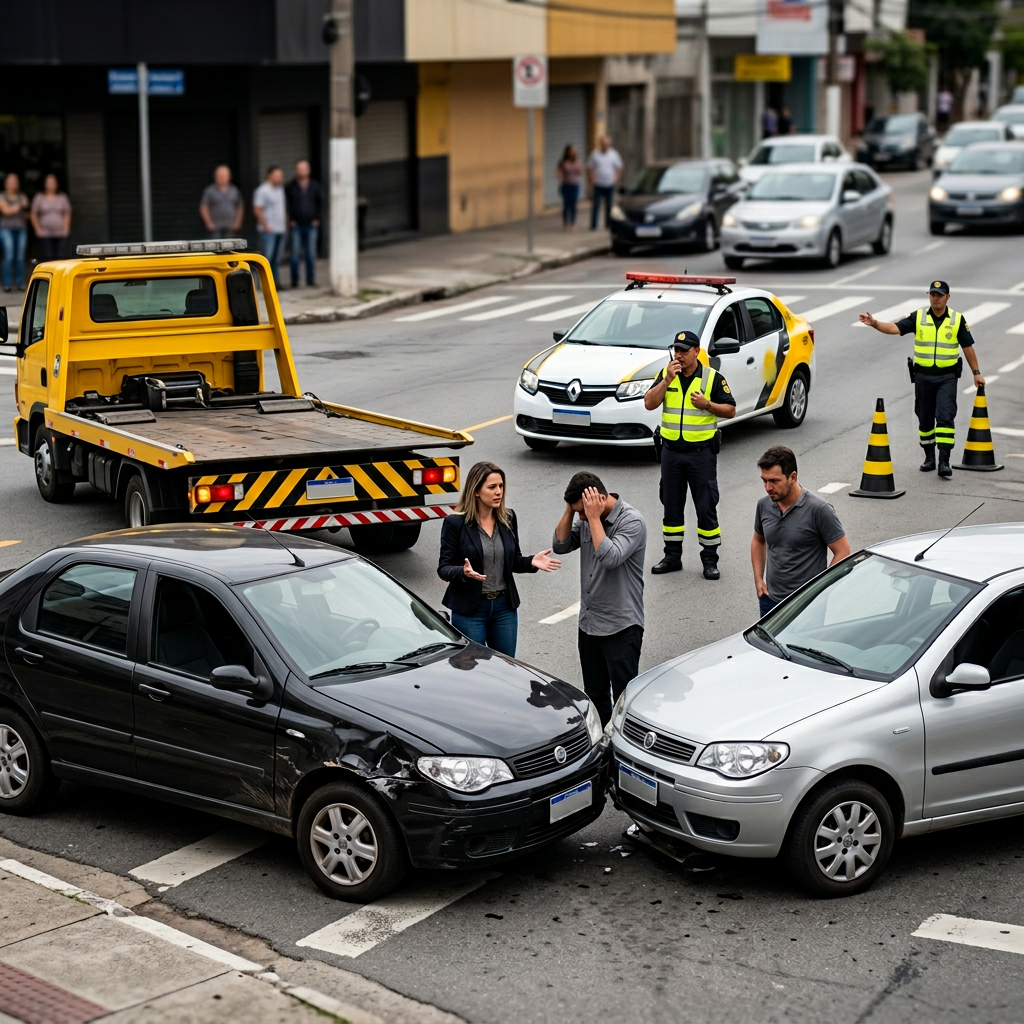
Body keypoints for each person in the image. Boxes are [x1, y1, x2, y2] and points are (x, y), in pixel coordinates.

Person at [859, 281, 984, 479]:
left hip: (947, 377)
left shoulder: (957, 320)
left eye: (940, 295)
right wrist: (875, 323)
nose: (935, 298)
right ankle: (929, 458)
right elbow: (894, 328)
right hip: (923, 377)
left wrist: (976, 372)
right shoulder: (919, 317)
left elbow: (968, 346)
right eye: (932, 294)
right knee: (925, 419)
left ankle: (944, 461)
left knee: (945, 418)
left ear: (947, 297)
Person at [437, 461, 561, 657]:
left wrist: (531, 562)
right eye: (492, 487)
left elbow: (513, 561)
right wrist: (462, 572)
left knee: (507, 668)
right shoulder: (455, 523)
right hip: (471, 611)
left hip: (504, 609)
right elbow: (443, 568)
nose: (499, 492)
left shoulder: (508, 518)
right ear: (476, 491)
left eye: (501, 486)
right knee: (474, 672)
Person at [553, 471, 646, 725]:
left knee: (623, 700)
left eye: (582, 511)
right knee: (595, 697)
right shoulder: (584, 517)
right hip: (589, 625)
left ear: (600, 499)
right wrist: (571, 509)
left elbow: (611, 557)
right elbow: (560, 544)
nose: (581, 517)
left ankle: (623, 755)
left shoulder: (632, 521)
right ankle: (602, 754)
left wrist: (592, 518)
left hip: (621, 626)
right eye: (579, 513)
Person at [643, 330, 736, 579]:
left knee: (706, 507)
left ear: (696, 352)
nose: (679, 355)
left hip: (701, 454)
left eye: (685, 350)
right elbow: (649, 403)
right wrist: (666, 382)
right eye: (676, 350)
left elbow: (730, 410)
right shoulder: (666, 375)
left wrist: (708, 405)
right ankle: (672, 557)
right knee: (671, 507)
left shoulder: (712, 378)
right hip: (671, 453)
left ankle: (709, 560)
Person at [751, 445, 850, 617]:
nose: (768, 488)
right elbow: (758, 540)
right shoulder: (764, 505)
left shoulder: (818, 509)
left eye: (774, 481)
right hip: (770, 600)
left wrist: (820, 589)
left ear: (793, 477)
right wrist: (759, 579)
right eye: (764, 480)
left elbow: (843, 551)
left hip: (808, 605)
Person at [286, 160, 323, 288]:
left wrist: (317, 218)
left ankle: (310, 280)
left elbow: (321, 203)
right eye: (299, 169)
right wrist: (290, 219)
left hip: (311, 224)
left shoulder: (315, 186)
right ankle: (294, 280)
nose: (302, 171)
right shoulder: (290, 187)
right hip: (296, 225)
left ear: (308, 170)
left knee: (311, 254)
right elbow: (286, 205)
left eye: (304, 168)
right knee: (295, 253)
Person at [253, 166, 286, 286]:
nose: (280, 178)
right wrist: (265, 225)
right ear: (269, 175)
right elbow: (257, 209)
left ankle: (275, 283)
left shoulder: (280, 189)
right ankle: (262, 283)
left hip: (280, 229)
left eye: (281, 176)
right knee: (267, 258)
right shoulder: (263, 190)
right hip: (268, 230)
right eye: (277, 176)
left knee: (277, 259)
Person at [30, 174, 72, 262]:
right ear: (45, 184)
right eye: (49, 183)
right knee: (48, 256)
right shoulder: (39, 197)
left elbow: (67, 213)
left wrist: (66, 229)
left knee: (61, 256)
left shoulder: (62, 197)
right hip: (45, 233)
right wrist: (38, 229)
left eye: (53, 182)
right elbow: (33, 213)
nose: (51, 185)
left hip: (60, 233)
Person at [0, 173, 29, 292]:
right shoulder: (1, 196)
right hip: (6, 229)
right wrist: (18, 206)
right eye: (11, 181)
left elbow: (27, 206)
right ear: (6, 183)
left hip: (21, 229)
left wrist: (19, 206)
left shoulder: (21, 195)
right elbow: (6, 211)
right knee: (9, 256)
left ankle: (20, 283)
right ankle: (7, 283)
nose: (14, 183)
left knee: (20, 257)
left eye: (15, 181)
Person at [587, 135, 622, 231]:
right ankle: (593, 225)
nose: (605, 146)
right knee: (596, 205)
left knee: (609, 206)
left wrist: (615, 179)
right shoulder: (595, 154)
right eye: (603, 144)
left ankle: (608, 225)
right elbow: (590, 168)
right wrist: (592, 179)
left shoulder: (614, 154)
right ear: (600, 144)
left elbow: (619, 167)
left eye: (607, 144)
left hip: (609, 184)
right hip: (598, 184)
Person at [199, 165, 244, 239]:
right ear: (215, 177)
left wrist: (237, 223)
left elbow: (239, 207)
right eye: (220, 176)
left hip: (230, 226)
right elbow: (204, 207)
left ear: (229, 177)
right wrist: (209, 223)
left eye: (224, 176)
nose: (222, 179)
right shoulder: (209, 191)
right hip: (215, 226)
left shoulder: (234, 190)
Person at [556, 144, 583, 230]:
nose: (573, 153)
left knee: (573, 204)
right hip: (566, 185)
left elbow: (580, 172)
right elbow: (558, 172)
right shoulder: (563, 162)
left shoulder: (577, 162)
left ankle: (572, 223)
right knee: (566, 204)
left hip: (574, 185)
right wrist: (561, 176)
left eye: (574, 151)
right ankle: (565, 223)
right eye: (571, 151)